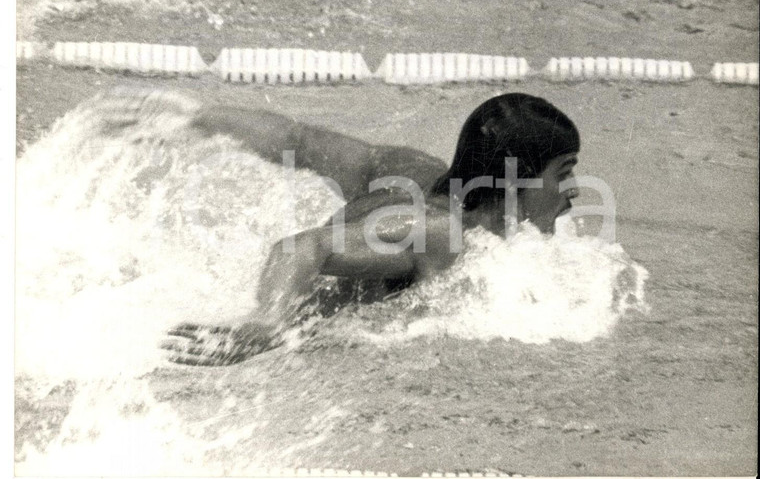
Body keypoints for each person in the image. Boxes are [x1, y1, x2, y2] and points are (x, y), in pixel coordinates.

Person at [162, 93, 581, 366]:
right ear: (514, 178)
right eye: (563, 173)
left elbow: (299, 140)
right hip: (270, 350)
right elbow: (302, 246)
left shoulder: (414, 172)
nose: (575, 190)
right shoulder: (441, 235)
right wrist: (268, 322)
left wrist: (190, 117)